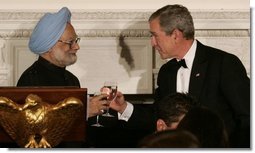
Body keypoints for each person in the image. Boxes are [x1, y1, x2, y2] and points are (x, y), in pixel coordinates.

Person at [110, 4, 250, 148]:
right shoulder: (166, 72)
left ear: (175, 35)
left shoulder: (223, 64)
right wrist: (123, 107)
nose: (152, 43)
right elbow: (157, 116)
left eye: (155, 35)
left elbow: (248, 117)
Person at [15, 7, 108, 147]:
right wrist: (83, 113)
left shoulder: (72, 79)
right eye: (70, 42)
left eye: (76, 40)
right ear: (49, 46)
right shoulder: (31, 80)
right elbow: (36, 134)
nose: (77, 47)